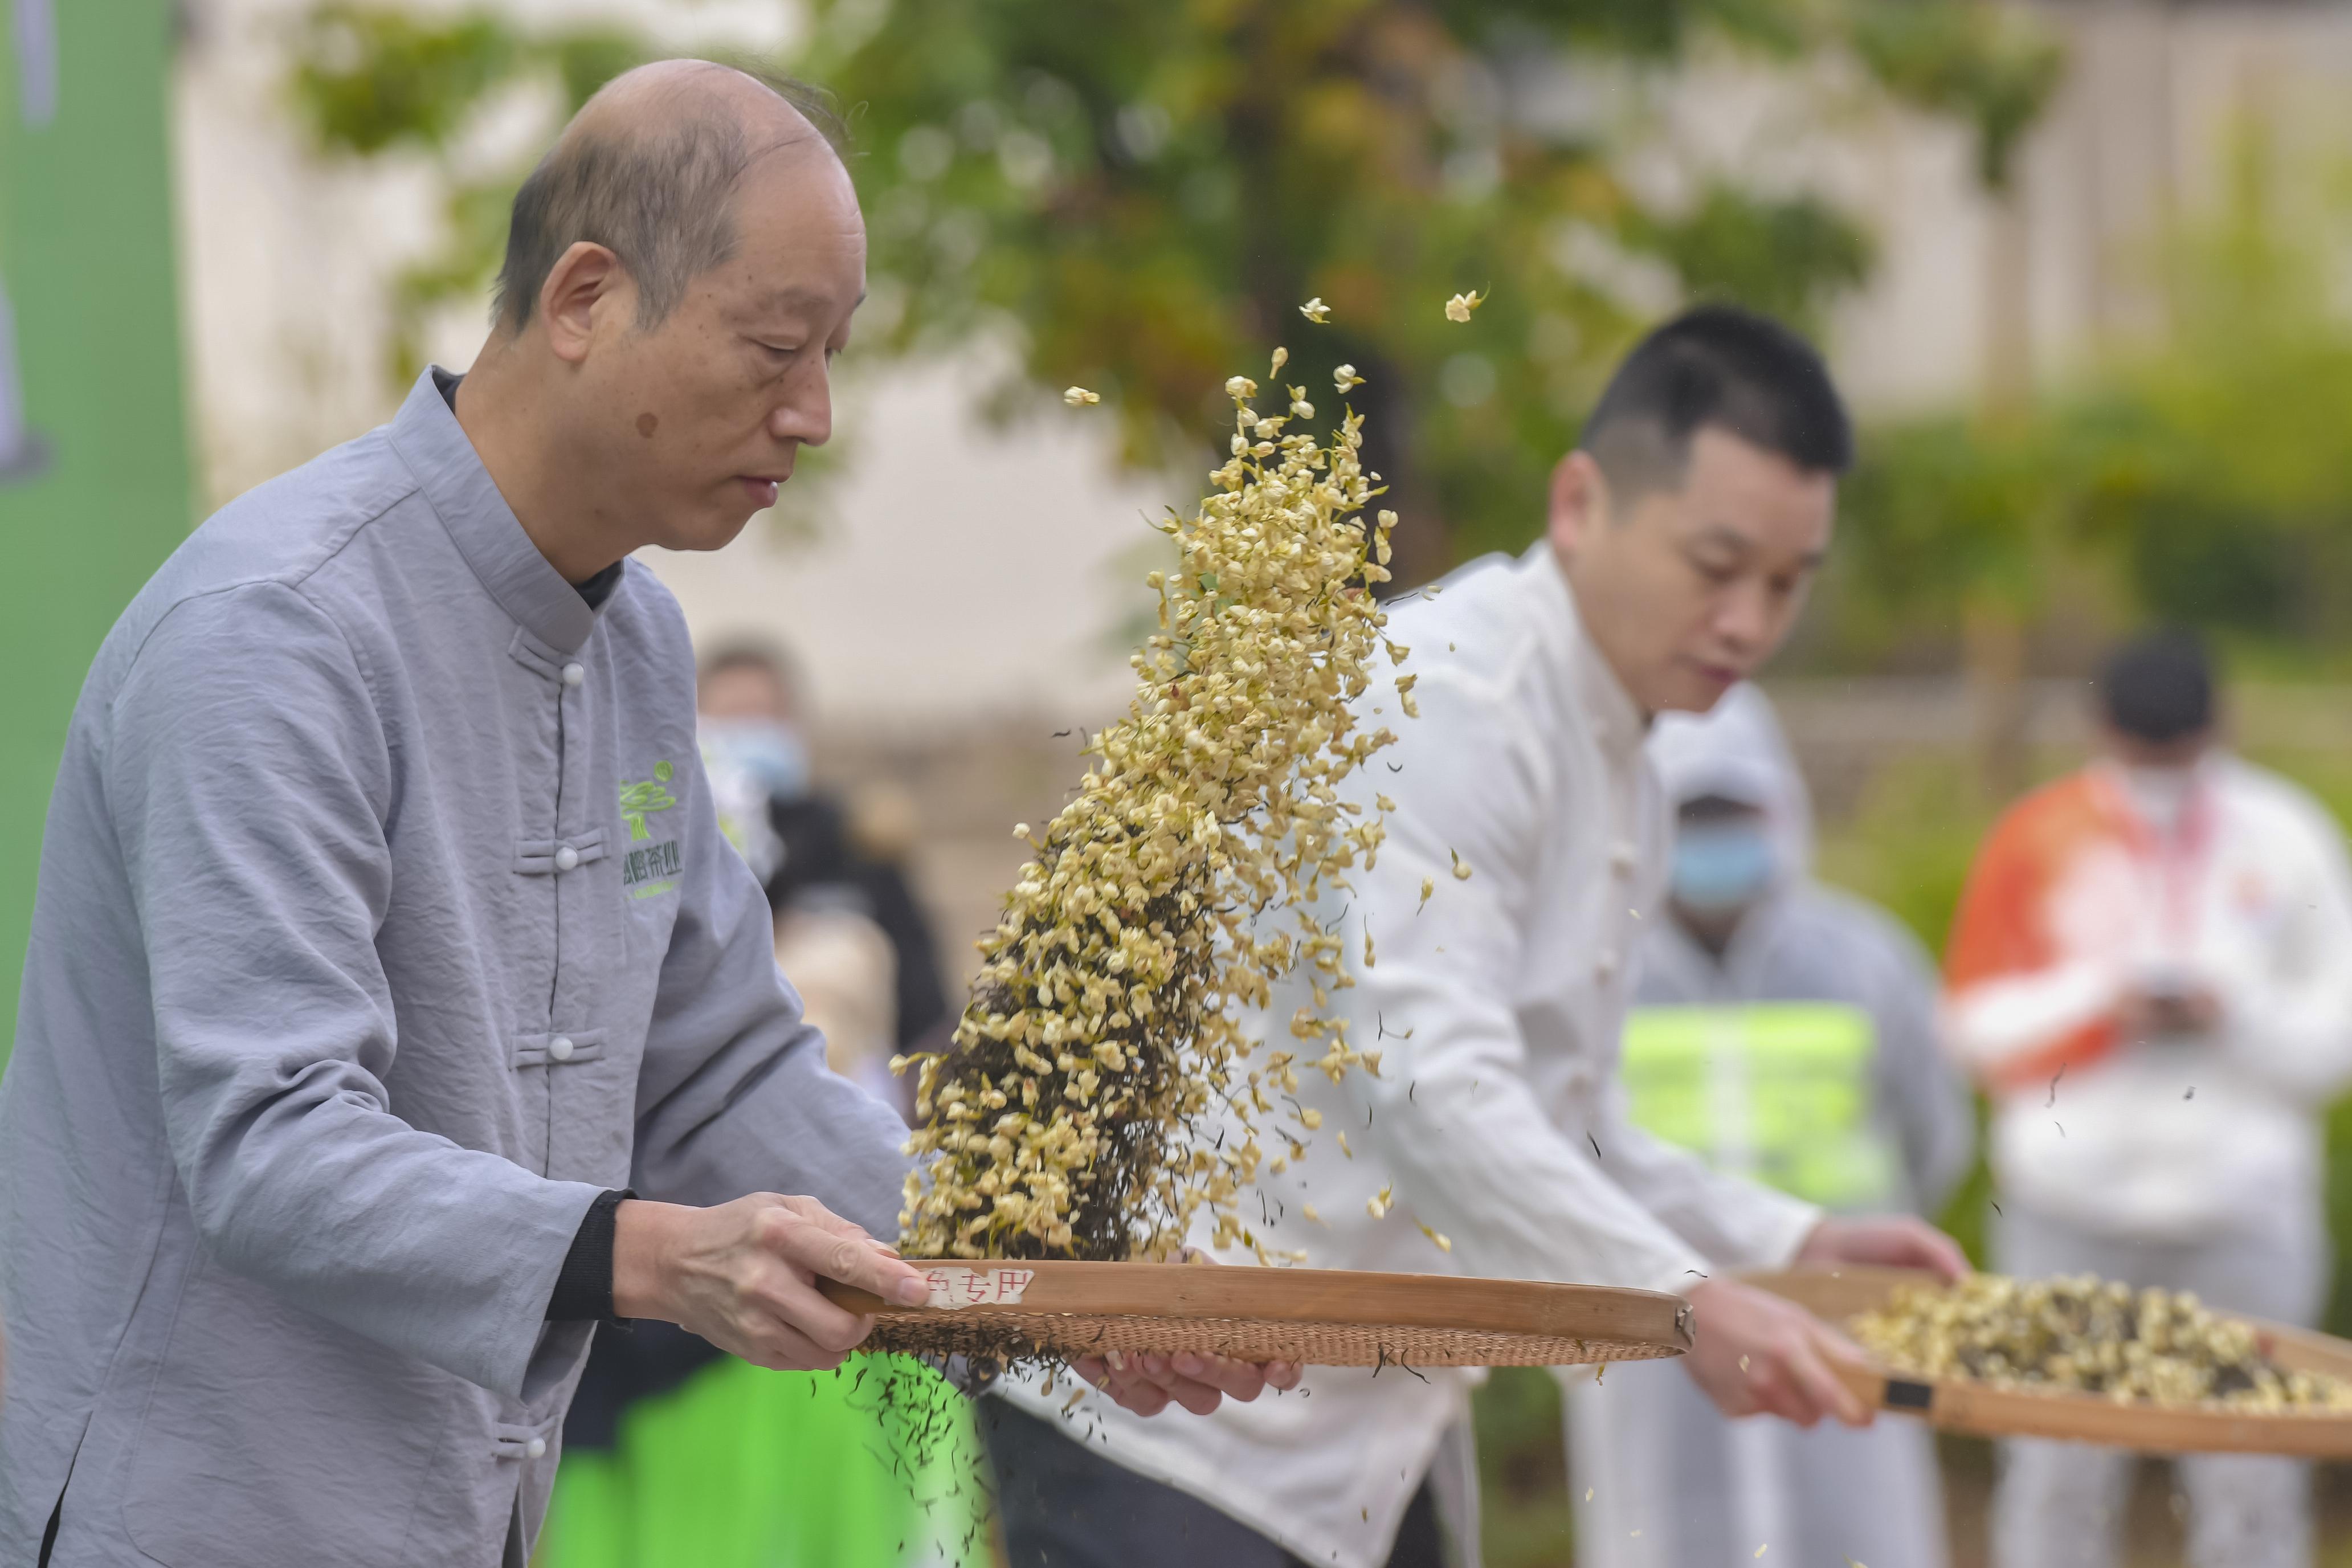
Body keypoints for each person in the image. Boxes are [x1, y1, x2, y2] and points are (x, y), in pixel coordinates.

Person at [0, 62, 1280, 1568]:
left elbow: (721, 1068)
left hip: (466, 1514)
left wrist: (1035, 1286)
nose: (811, 413)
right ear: (586, 297)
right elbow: (270, 1142)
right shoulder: (279, 629)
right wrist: (666, 1258)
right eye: (773, 347)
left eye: (834, 354)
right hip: (196, 1517)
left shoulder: (636, 642)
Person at [980, 305, 1970, 1568]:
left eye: (1785, 582)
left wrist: (1783, 1240)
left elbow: (1561, 1113)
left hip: (1364, 1433)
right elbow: (1430, 1085)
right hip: (1174, 1413)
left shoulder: (1624, 760)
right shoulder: (1450, 699)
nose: (1747, 620)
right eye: (1715, 565)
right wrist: (1686, 1301)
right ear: (1580, 502)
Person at [1945, 629, 2352, 1568]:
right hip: (2068, 1206)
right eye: (2142, 756)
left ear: (2221, 727)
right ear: (2101, 732)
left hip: (2241, 1210)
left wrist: (2232, 1014)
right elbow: (1973, 1027)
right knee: (2055, 1471)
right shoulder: (2039, 836)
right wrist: (2104, 999)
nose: (2162, 776)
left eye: (2181, 755)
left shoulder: (2289, 838)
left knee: (2254, 1477)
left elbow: (2332, 1041)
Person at [1569, 683, 1973, 1568]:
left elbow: (1934, 1134)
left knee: (1862, 1534)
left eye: (1733, 811)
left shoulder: (1866, 960)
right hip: (1652, 1326)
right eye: (1693, 813)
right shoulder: (1592, 968)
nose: (1715, 836)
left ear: (1780, 810)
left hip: (1843, 1316)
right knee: (1664, 1533)